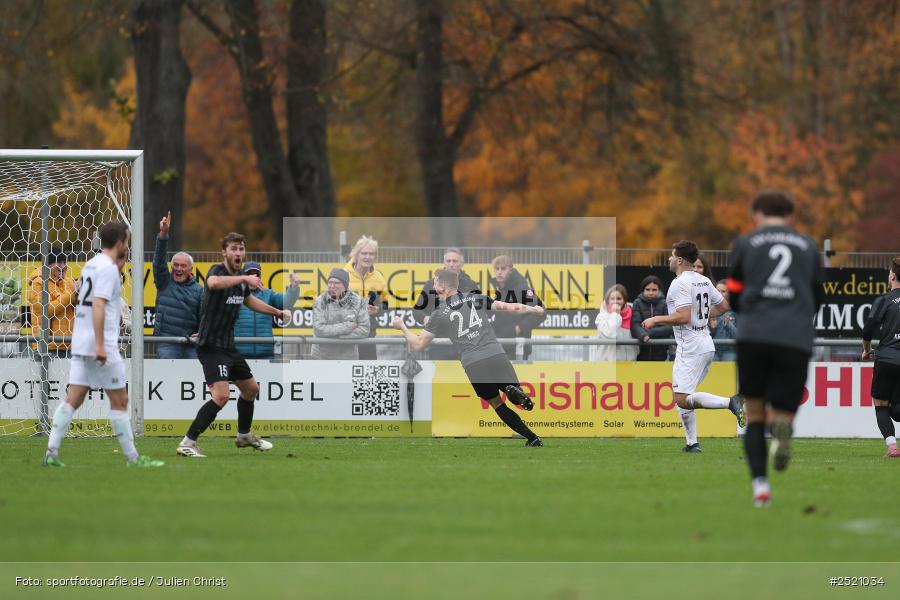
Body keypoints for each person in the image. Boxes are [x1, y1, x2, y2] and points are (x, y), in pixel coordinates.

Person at [726, 190, 825, 507]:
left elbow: (735, 293)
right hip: (794, 336)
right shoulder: (809, 246)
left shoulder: (745, 243)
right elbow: (817, 295)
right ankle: (784, 429)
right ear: (791, 216)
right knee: (783, 412)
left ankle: (760, 487)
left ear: (756, 214)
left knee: (754, 414)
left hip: (754, 334)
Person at [42, 222, 163, 468]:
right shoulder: (107, 269)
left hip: (80, 340)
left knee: (73, 398)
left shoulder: (91, 264)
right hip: (101, 343)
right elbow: (98, 304)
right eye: (126, 242)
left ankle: (51, 453)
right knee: (120, 400)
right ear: (120, 243)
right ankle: (133, 458)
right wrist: (100, 345)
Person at [394, 268, 545, 446]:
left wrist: (402, 327)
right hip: (495, 353)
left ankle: (532, 437)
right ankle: (514, 390)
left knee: (496, 403)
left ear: (442, 286)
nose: (433, 287)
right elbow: (509, 307)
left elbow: (419, 344)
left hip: (473, 362)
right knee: (509, 387)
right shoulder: (476, 298)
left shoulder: (439, 313)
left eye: (435, 283)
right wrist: (533, 309)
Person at [176, 232, 292, 458]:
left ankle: (244, 435)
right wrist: (243, 279)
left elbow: (250, 301)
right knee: (221, 396)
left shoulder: (241, 281)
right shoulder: (217, 272)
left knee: (251, 389)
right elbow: (213, 283)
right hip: (211, 345)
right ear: (224, 252)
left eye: (241, 249)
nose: (238, 253)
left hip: (228, 346)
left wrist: (277, 311)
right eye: (233, 249)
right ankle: (187, 442)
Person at [642, 240, 744, 453]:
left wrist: (656, 320)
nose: (669, 259)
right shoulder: (704, 280)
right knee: (683, 393)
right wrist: (702, 316)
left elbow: (683, 316)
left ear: (679, 260)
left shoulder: (679, 283)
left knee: (681, 398)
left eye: (671, 256)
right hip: (705, 343)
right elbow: (724, 306)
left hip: (691, 346)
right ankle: (692, 443)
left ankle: (730, 402)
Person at [862, 257, 900, 458]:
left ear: (892, 276)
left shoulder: (884, 300)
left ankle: (893, 447)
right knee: (897, 410)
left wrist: (867, 350)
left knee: (881, 405)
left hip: (886, 359)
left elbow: (868, 329)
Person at [413, 248, 481, 360]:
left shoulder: (470, 285)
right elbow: (416, 311)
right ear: (444, 263)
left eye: (455, 261)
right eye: (448, 261)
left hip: (464, 343)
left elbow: (481, 311)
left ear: (462, 264)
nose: (451, 264)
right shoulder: (431, 285)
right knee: (439, 376)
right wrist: (425, 318)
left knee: (464, 377)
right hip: (438, 343)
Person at [152, 212, 203, 359]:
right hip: (166, 343)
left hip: (191, 344)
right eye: (176, 265)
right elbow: (159, 261)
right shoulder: (164, 282)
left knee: (193, 377)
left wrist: (203, 331)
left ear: (190, 269)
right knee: (166, 378)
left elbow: (205, 315)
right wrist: (163, 234)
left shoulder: (200, 291)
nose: (179, 268)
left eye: (183, 266)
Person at [234, 261, 300, 359]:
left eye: (256, 274)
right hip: (240, 355)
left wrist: (294, 288)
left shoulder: (268, 294)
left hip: (265, 354)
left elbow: (286, 302)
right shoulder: (235, 294)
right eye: (249, 274)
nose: (254, 277)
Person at [490, 255, 544, 360]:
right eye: (497, 269)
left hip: (517, 348)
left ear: (511, 270)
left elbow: (541, 311)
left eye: (503, 269)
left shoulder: (522, 288)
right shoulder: (501, 288)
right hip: (501, 346)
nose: (499, 272)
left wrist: (519, 328)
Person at [344, 235, 387, 360]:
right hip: (346, 333)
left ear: (375, 257)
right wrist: (361, 311)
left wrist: (378, 310)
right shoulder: (343, 274)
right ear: (356, 255)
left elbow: (385, 305)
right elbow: (335, 305)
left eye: (371, 254)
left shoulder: (378, 277)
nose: (368, 257)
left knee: (367, 376)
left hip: (369, 333)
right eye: (364, 253)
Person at [311, 268, 370, 359]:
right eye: (330, 282)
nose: (332, 286)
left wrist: (339, 336)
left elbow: (364, 329)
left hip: (348, 357)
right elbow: (319, 330)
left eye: (336, 283)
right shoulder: (320, 301)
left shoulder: (359, 301)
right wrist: (348, 327)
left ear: (345, 285)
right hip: (321, 356)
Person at [28, 248, 77, 354]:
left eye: (65, 262)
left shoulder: (68, 282)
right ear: (48, 264)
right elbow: (46, 311)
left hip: (71, 345)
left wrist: (80, 292)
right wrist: (72, 295)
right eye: (59, 262)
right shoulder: (38, 283)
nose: (63, 266)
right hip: (48, 346)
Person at [593, 284, 639, 362]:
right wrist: (616, 314)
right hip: (608, 366)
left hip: (630, 364)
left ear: (624, 300)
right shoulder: (601, 317)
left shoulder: (633, 314)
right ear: (608, 300)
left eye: (619, 298)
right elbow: (610, 334)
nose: (615, 301)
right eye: (612, 299)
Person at [630, 276, 671, 361]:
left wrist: (649, 333)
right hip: (641, 352)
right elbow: (635, 325)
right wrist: (643, 335)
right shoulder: (637, 303)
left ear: (659, 290)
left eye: (654, 290)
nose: (651, 293)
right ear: (643, 290)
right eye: (647, 289)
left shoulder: (665, 303)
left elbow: (670, 326)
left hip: (661, 352)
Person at [709, 281, 737, 361]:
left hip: (730, 352)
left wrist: (728, 326)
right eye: (717, 291)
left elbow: (739, 336)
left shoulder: (736, 310)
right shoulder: (708, 309)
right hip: (713, 351)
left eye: (723, 291)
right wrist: (712, 328)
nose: (719, 294)